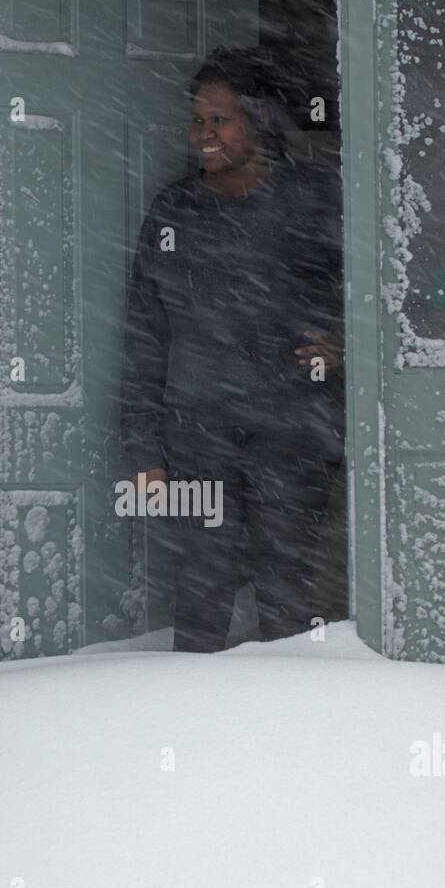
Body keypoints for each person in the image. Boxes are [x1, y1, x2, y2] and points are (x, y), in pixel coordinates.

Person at [119, 47, 345, 652]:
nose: (205, 135)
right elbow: (145, 333)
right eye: (198, 122)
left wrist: (346, 343)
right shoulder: (175, 213)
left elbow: (376, 288)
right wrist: (143, 448)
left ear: (258, 122)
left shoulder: (313, 200)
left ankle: (281, 729)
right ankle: (191, 729)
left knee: (286, 590)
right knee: (202, 588)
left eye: (220, 120)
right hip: (200, 435)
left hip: (292, 433)